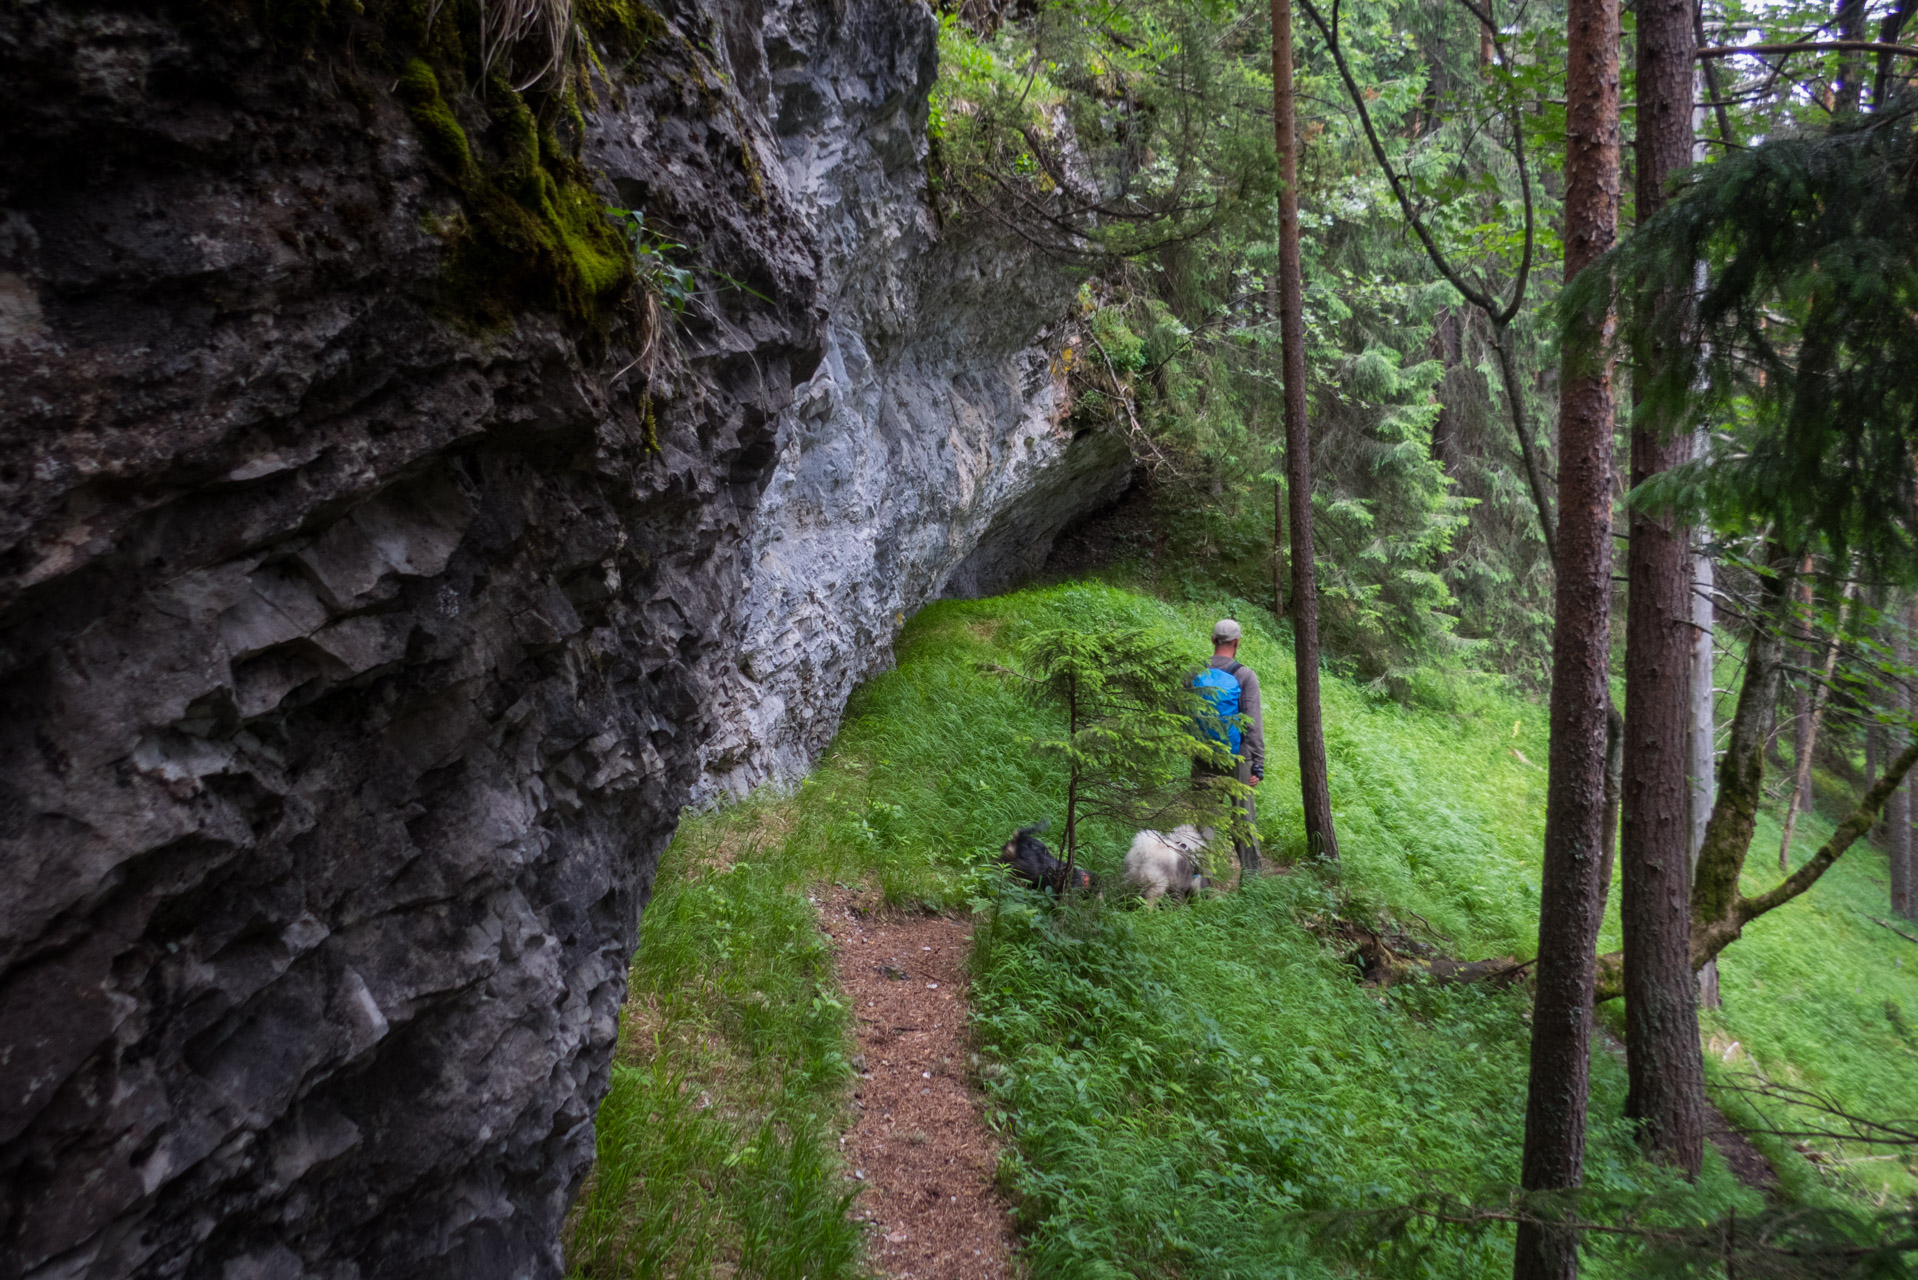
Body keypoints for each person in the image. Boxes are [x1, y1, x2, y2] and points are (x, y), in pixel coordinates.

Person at [1192, 618, 1264, 874]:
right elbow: (1252, 723)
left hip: (1202, 757)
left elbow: (1179, 714)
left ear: (1213, 640)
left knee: (1203, 822)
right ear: (1236, 642)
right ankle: (1251, 882)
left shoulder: (1193, 673)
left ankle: (1201, 884)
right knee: (1244, 822)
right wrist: (1258, 764)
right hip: (1238, 760)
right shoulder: (1244, 675)